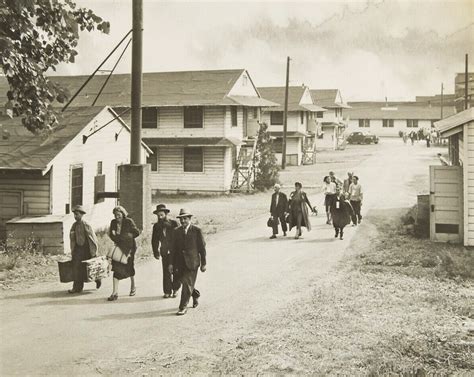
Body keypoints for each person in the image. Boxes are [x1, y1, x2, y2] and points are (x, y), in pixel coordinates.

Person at [169, 209, 207, 316]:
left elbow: (202, 248)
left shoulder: (196, 231)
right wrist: (171, 264)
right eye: (181, 219)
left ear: (190, 219)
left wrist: (204, 263)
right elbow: (173, 249)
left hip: (192, 262)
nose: (183, 221)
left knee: (186, 284)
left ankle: (182, 307)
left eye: (185, 219)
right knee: (185, 282)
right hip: (179, 263)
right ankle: (195, 295)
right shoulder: (176, 231)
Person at [107, 206, 140, 301]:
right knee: (116, 268)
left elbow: (136, 232)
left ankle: (133, 286)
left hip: (129, 248)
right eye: (115, 215)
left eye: (119, 214)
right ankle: (114, 293)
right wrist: (114, 237)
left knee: (129, 267)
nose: (117, 217)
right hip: (118, 247)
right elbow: (111, 234)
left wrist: (129, 236)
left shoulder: (128, 221)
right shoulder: (113, 222)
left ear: (123, 214)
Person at [68, 205, 101, 293]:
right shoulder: (74, 225)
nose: (75, 216)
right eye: (74, 214)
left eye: (77, 214)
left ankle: (98, 279)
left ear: (82, 215)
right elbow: (72, 238)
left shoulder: (86, 225)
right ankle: (77, 287)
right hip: (78, 250)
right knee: (76, 268)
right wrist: (73, 250)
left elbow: (92, 238)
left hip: (87, 249)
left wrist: (94, 252)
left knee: (90, 267)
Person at [151, 204, 180, 298]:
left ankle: (175, 289)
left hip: (175, 251)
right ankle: (167, 291)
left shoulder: (174, 224)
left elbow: (179, 237)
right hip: (164, 251)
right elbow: (154, 240)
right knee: (166, 271)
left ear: (166, 214)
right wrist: (155, 251)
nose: (160, 217)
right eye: (158, 215)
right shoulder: (156, 226)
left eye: (162, 215)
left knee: (175, 270)